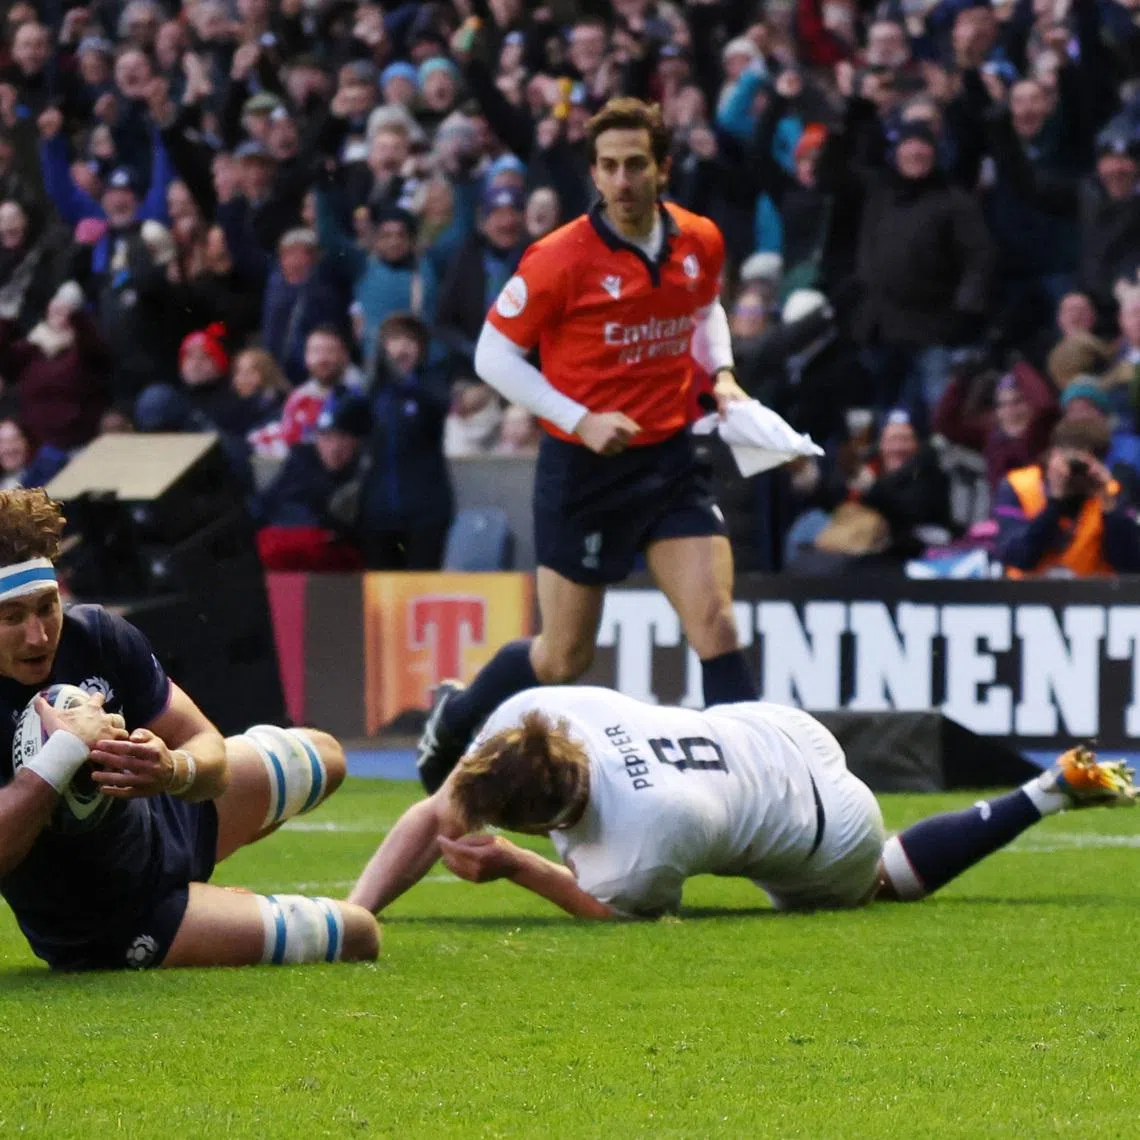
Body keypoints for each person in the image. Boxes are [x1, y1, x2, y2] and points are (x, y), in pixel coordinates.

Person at [414, 96, 754, 793]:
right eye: (608, 166)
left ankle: (759, 784)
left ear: (662, 168)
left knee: (715, 624)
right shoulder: (560, 257)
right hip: (583, 470)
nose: (622, 180)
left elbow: (703, 307)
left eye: (635, 164)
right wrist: (581, 418)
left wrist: (720, 373)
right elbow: (493, 355)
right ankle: (460, 712)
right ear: (593, 174)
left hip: (669, 458)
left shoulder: (700, 239)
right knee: (563, 655)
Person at [350, 685, 1136, 919]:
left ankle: (1046, 790)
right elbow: (437, 813)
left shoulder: (642, 842)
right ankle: (1050, 786)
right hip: (767, 727)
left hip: (828, 826)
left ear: (543, 820)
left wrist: (517, 867)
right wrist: (357, 913)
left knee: (877, 885)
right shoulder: (535, 715)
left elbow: (617, 915)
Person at [0, 487, 379, 970]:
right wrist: (64, 753)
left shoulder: (97, 635)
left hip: (167, 819)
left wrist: (173, 770)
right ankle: (202, 914)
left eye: (46, 607)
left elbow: (209, 749)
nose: (38, 635)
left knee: (325, 756)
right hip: (112, 918)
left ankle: (208, 897)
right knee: (360, 934)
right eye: (12, 617)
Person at [992, 418, 1140, 577]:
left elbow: (1131, 567)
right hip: (1023, 596)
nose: (1076, 474)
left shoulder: (1112, 492)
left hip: (1090, 597)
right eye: (1072, 465)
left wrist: (1109, 507)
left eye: (1083, 466)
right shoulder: (1018, 486)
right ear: (1053, 455)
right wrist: (1055, 501)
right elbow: (1018, 558)